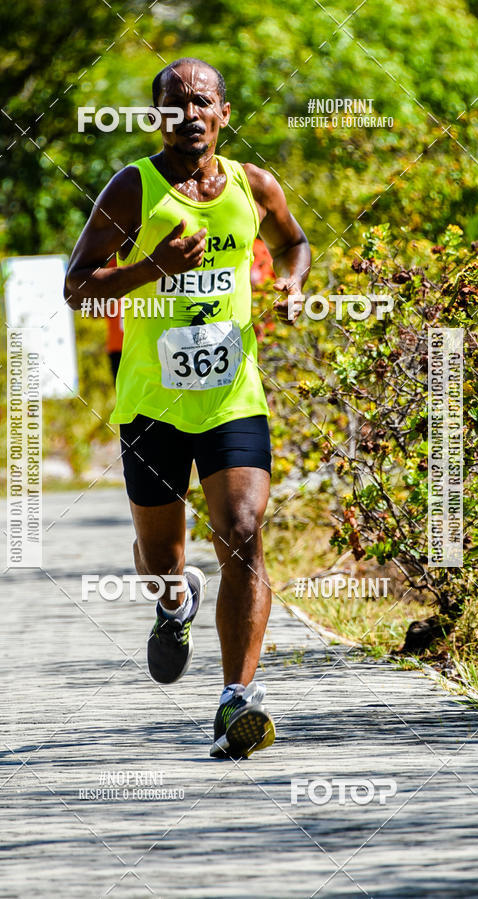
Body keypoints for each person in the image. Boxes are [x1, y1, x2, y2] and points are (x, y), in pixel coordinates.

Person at [64, 57, 310, 759]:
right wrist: (153, 268)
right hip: (152, 404)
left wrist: (292, 284)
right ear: (158, 117)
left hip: (233, 397)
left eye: (203, 102)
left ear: (224, 113)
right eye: (175, 104)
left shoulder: (253, 186)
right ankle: (174, 601)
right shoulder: (132, 188)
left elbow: (294, 242)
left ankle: (237, 700)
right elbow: (77, 287)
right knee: (161, 559)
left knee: (243, 531)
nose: (189, 114)